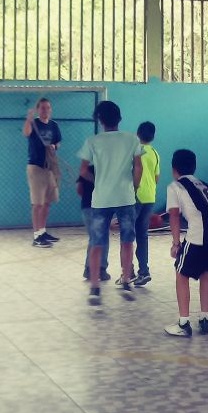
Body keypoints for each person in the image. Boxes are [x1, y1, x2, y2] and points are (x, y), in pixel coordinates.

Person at [78, 101, 143, 305]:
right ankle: (125, 280)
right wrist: (134, 186)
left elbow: (83, 171)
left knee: (97, 242)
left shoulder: (92, 141)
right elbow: (138, 168)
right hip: (125, 197)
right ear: (120, 118)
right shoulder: (132, 140)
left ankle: (95, 286)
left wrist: (98, 181)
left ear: (100, 120)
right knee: (126, 240)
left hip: (101, 199)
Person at [163, 149, 208, 338]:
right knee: (205, 272)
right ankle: (205, 318)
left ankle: (183, 323)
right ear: (194, 167)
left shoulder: (175, 186)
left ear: (174, 168)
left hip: (200, 235)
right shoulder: (207, 185)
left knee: (181, 273)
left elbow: (173, 215)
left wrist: (176, 244)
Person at [23, 98, 62, 247]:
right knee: (37, 204)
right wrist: (28, 119)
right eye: (43, 108)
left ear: (50, 109)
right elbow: (26, 133)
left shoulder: (54, 125)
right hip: (36, 167)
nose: (45, 110)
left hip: (49, 167)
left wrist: (54, 146)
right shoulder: (34, 124)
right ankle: (36, 236)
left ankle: (42, 231)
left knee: (47, 202)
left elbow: (58, 141)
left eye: (48, 108)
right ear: (38, 110)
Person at [132, 121, 160, 287]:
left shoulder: (135, 151)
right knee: (142, 236)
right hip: (150, 197)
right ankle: (144, 271)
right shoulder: (155, 153)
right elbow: (156, 177)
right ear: (153, 136)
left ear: (137, 134)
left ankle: (128, 271)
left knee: (128, 235)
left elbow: (132, 172)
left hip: (136, 196)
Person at [76, 166, 110, 282]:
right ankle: (100, 268)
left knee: (94, 238)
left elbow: (79, 189)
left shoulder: (87, 169)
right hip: (100, 207)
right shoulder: (107, 170)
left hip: (87, 207)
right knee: (102, 238)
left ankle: (90, 269)